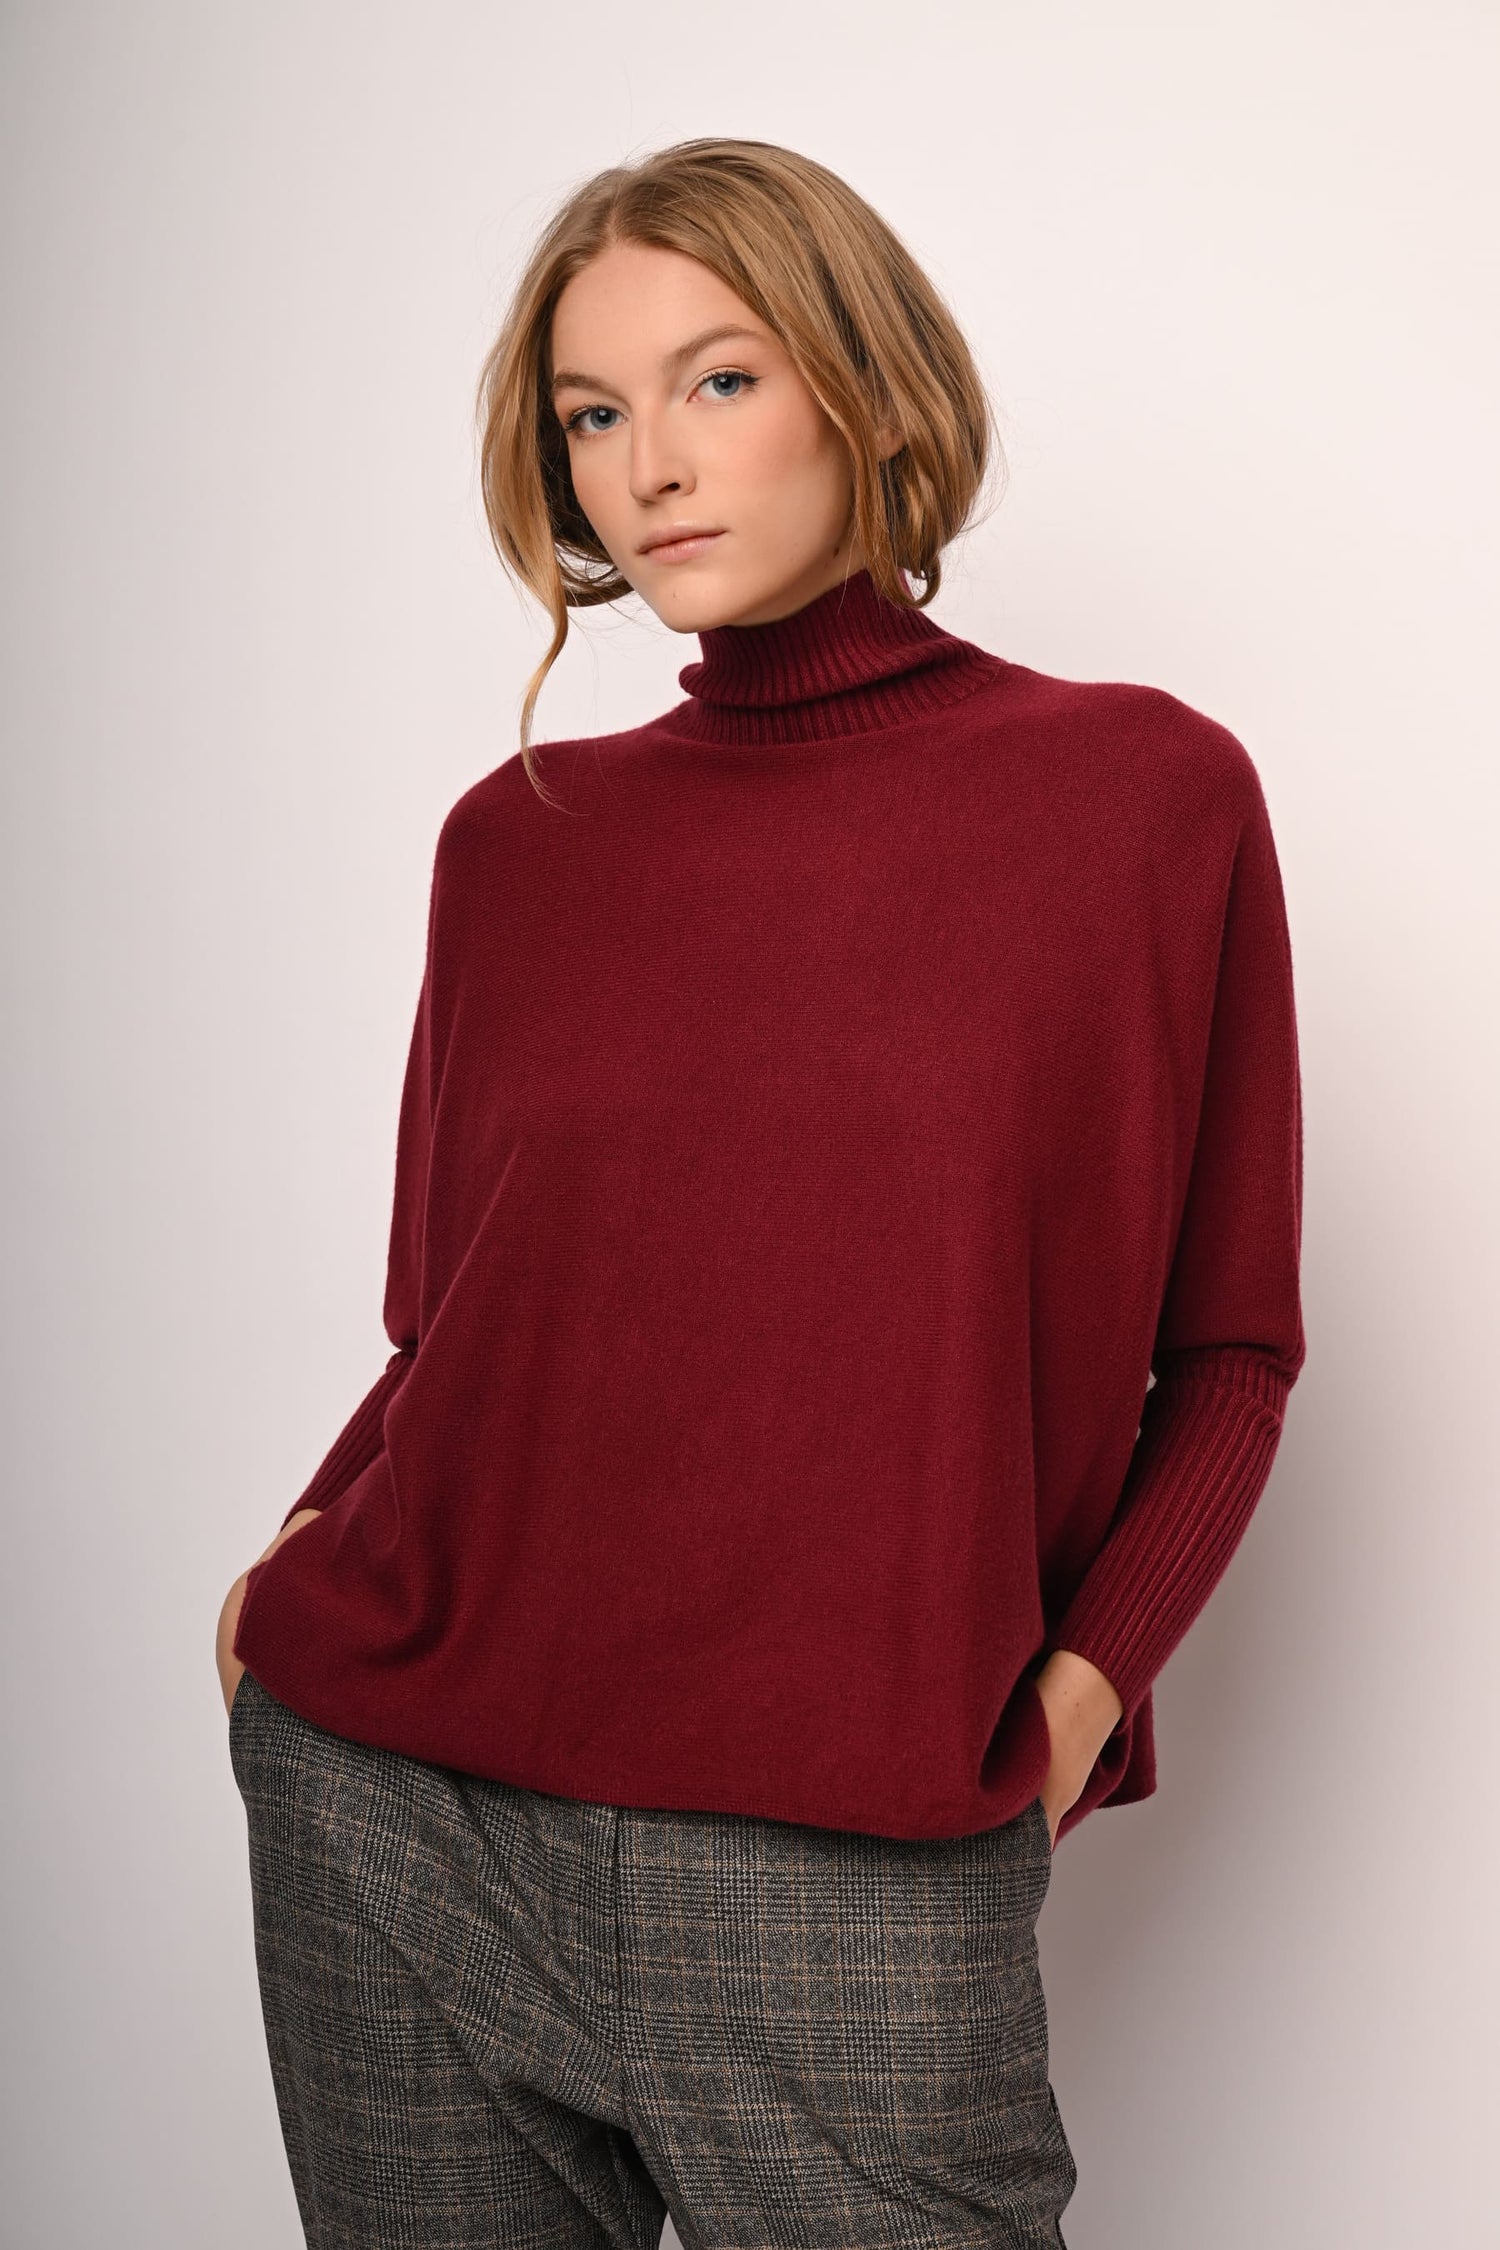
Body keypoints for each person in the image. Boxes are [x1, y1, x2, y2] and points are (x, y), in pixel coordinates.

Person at [217, 137, 1306, 2249]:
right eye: (592, 414)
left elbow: (1233, 1351)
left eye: (718, 381)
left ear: (867, 389)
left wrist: (1073, 1709)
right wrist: (288, 1590)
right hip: (407, 1823)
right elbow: (454, 1329)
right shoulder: (514, 842)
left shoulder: (1144, 801)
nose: (650, 466)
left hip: (854, 1868)